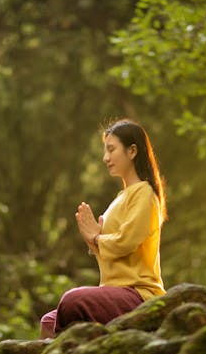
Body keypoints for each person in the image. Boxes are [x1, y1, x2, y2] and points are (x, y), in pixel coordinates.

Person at [40, 118, 167, 339]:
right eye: (105, 151)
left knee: (71, 301)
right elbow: (111, 249)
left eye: (111, 149)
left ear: (132, 151)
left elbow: (126, 242)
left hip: (138, 294)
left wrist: (97, 238)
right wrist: (93, 240)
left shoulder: (144, 193)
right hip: (113, 290)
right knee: (49, 321)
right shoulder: (121, 197)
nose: (105, 158)